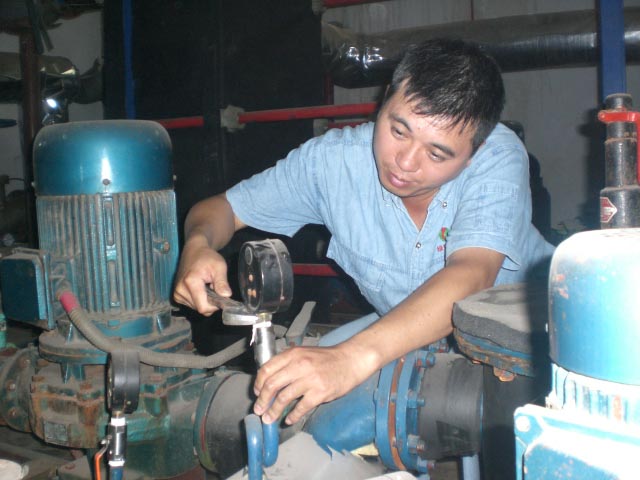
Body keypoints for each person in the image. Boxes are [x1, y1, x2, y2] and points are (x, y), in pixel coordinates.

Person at [173, 38, 554, 427]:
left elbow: (472, 275)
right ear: (385, 99)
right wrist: (198, 245)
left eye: (436, 154)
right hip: (402, 331)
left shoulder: (498, 156)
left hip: (528, 341)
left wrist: (351, 358)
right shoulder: (331, 164)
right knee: (296, 403)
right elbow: (221, 210)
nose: (405, 162)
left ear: (474, 152)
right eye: (398, 130)